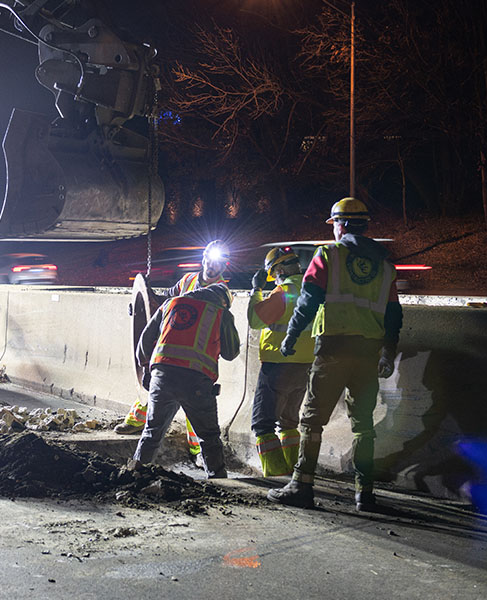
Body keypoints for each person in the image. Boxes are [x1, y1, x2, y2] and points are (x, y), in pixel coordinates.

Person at [267, 198, 402, 511]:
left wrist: (291, 335)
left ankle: (301, 486)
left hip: (333, 349)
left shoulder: (329, 254)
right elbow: (394, 314)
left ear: (340, 225)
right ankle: (364, 494)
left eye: (334, 224)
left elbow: (308, 300)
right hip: (368, 353)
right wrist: (388, 351)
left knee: (312, 420)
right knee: (363, 424)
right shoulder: (385, 266)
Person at [115, 240, 232, 462]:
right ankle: (136, 420)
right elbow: (165, 299)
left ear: (224, 266)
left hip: (197, 354)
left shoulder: (221, 292)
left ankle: (196, 451)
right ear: (204, 259)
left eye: (217, 263)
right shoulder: (188, 280)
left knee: (185, 404)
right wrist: (142, 303)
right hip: (173, 346)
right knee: (155, 388)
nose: (212, 266)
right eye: (209, 260)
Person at [131, 282, 241, 479]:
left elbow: (144, 342)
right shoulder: (221, 312)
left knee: (152, 431)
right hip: (196, 382)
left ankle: (135, 473)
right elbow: (230, 353)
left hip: (162, 377)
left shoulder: (171, 303)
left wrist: (147, 369)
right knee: (208, 436)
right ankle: (218, 480)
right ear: (224, 301)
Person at [247, 247, 315, 477]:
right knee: (289, 422)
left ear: (280, 270)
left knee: (263, 423)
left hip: (278, 363)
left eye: (273, 274)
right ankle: (294, 470)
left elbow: (255, 320)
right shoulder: (312, 289)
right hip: (305, 365)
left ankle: (276, 474)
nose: (274, 279)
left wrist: (256, 290)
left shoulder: (285, 291)